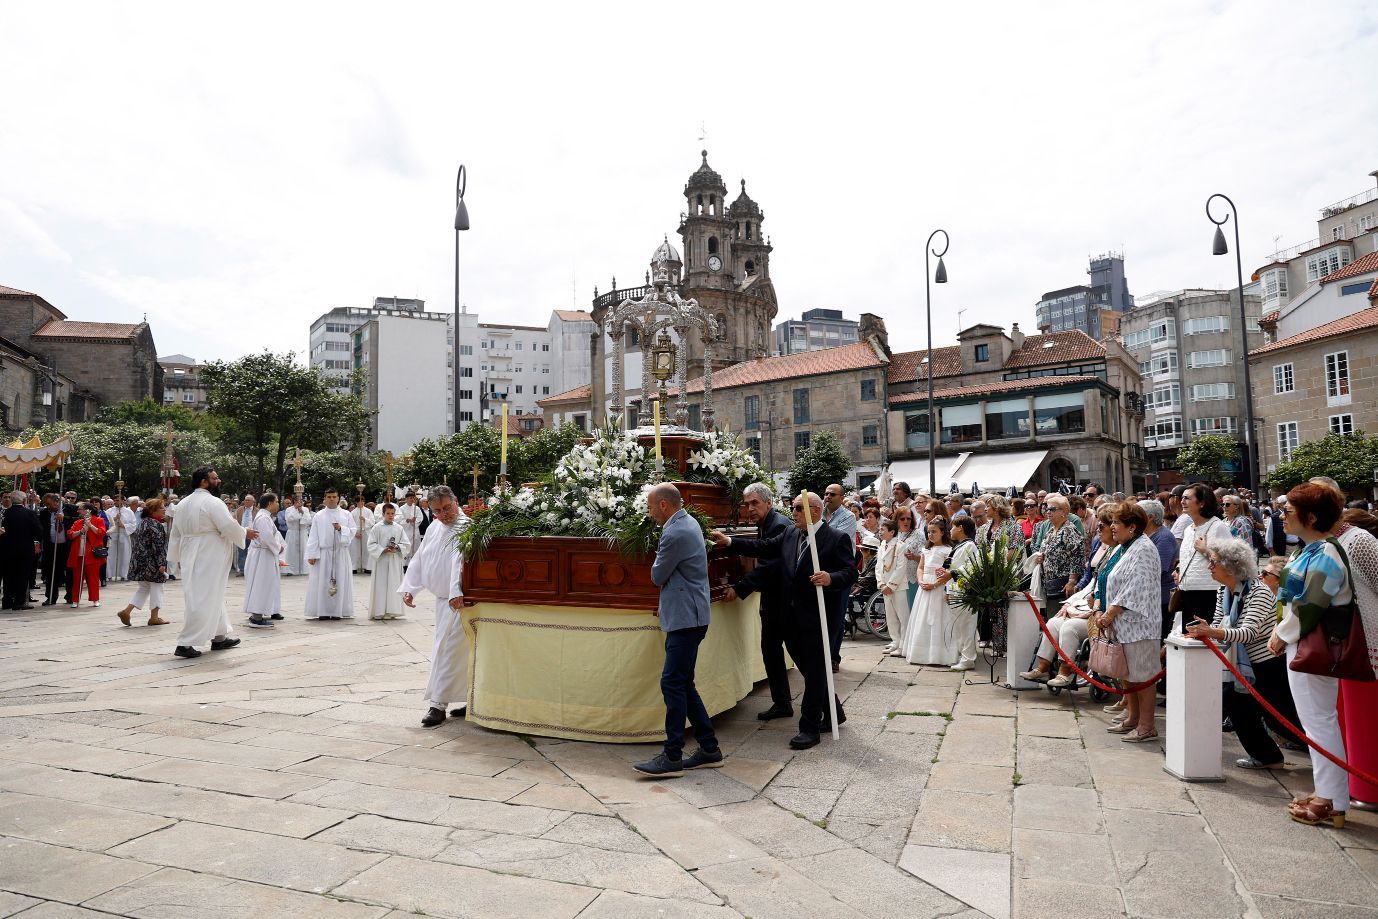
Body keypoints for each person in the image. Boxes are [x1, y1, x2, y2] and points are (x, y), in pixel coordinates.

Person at [712, 490, 857, 750]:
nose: (794, 514)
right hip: (791, 617)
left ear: (815, 510)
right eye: (794, 508)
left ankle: (809, 728)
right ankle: (834, 710)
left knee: (813, 674)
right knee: (811, 669)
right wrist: (731, 542)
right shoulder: (791, 533)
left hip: (818, 619)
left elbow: (849, 572)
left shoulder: (836, 538)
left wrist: (830, 578)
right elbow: (764, 547)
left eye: (799, 509)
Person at [1270, 483, 1353, 828]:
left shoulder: (1325, 554)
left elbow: (1309, 607)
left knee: (1319, 722)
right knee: (1317, 721)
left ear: (1312, 517)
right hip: (1301, 643)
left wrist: (1281, 633)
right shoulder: (1312, 550)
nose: (1282, 516)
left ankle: (1330, 798)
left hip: (1309, 645)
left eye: (1288, 511)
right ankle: (1329, 793)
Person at [633, 484, 724, 777]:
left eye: (650, 507)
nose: (650, 513)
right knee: (683, 683)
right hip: (690, 614)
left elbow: (658, 575)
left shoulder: (674, 532)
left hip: (687, 617)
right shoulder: (688, 521)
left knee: (672, 682)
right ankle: (709, 748)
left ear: (662, 505)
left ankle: (672, 755)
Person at [1185, 538, 1300, 769]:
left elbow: (1248, 632)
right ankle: (1268, 756)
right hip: (1244, 665)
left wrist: (1212, 631)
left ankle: (1328, 755)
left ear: (1230, 566)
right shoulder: (1223, 591)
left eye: (1214, 562)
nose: (1210, 566)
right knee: (1239, 706)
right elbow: (1220, 624)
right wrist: (1208, 629)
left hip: (1267, 665)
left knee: (1283, 720)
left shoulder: (1258, 592)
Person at [723, 482, 793, 720]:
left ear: (769, 503)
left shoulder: (779, 525)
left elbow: (770, 563)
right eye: (746, 504)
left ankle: (832, 710)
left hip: (786, 603)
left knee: (802, 656)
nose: (750, 508)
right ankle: (782, 703)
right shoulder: (767, 523)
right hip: (775, 600)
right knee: (771, 652)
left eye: (755, 503)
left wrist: (740, 588)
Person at [401, 486, 470, 727]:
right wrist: (411, 586)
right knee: (452, 652)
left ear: (456, 501)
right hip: (443, 602)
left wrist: (456, 591)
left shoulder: (467, 527)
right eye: (437, 511)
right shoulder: (434, 526)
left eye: (446, 508)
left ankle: (438, 704)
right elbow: (422, 557)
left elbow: (459, 562)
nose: (443, 515)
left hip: (460, 602)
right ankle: (469, 698)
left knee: (448, 652)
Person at [167, 467, 254, 658]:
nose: (219, 480)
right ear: (204, 482)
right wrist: (245, 532)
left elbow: (176, 534)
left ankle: (219, 637)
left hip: (191, 550)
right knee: (202, 597)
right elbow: (227, 525)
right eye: (214, 478)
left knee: (211, 593)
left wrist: (177, 557)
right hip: (209, 552)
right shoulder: (212, 502)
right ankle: (185, 643)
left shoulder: (183, 503)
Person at [1098, 502, 1165, 743]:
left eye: (1116, 522)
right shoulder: (1123, 547)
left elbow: (1137, 586)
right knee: (1128, 674)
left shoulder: (1144, 548)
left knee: (1143, 676)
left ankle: (1147, 725)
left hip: (1140, 625)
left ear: (1132, 527)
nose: (1112, 527)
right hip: (1122, 625)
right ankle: (1133, 717)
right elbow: (1108, 577)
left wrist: (1110, 613)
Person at [1172, 484, 1226, 634]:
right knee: (1188, 641)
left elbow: (1229, 563)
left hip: (1209, 594)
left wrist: (1205, 550)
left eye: (1187, 498)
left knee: (1204, 645)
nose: (1182, 501)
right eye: (1182, 497)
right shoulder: (1188, 529)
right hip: (1187, 593)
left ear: (1202, 503)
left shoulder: (1218, 527)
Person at [903, 517, 955, 665]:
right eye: (929, 532)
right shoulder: (926, 549)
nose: (930, 535)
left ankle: (939, 654)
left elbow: (948, 572)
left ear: (943, 532)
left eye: (934, 532)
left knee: (939, 617)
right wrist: (920, 580)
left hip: (938, 586)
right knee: (922, 618)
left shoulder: (947, 550)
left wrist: (935, 585)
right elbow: (921, 567)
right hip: (924, 585)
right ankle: (922, 652)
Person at [117, 497, 171, 627]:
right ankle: (154, 617)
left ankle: (126, 611)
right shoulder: (155, 524)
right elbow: (158, 547)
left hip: (140, 561)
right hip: (152, 562)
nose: (164, 509)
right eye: (161, 507)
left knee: (144, 588)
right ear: (153, 510)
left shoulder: (143, 522)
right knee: (158, 587)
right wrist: (162, 563)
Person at [305, 488, 356, 620]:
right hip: (324, 553)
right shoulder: (319, 515)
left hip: (341, 552)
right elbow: (313, 536)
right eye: (329, 497)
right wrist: (312, 554)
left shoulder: (346, 514)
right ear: (325, 498)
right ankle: (323, 611)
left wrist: (341, 529)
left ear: (338, 498)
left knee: (340, 580)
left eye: (334, 496)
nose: (332, 499)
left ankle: (338, 610)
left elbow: (352, 531)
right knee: (322, 582)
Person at [822, 483, 857, 671]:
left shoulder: (848, 517)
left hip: (840, 573)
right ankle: (822, 654)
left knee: (836, 617)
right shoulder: (818, 514)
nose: (828, 497)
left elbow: (833, 538)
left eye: (832, 494)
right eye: (826, 493)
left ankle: (834, 657)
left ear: (841, 498)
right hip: (821, 571)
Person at [945, 517, 982, 671]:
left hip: (965, 591)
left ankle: (968, 658)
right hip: (955, 590)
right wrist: (947, 589)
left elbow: (974, 568)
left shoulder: (970, 546)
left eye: (952, 527)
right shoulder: (959, 546)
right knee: (959, 625)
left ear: (960, 528)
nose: (950, 531)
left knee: (967, 625)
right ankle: (963, 655)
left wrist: (952, 574)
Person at [243, 493, 284, 629]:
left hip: (263, 554)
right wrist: (278, 548)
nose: (278, 504)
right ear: (270, 503)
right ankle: (256, 618)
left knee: (261, 584)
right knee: (261, 584)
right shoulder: (263, 518)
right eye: (277, 501)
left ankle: (257, 614)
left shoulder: (265, 516)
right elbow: (267, 538)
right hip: (262, 555)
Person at [1140, 500, 1180, 638]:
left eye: (1139, 514)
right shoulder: (1145, 535)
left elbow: (1158, 569)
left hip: (1160, 599)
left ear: (1150, 517)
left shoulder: (1164, 537)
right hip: (1149, 597)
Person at [367, 503, 410, 620]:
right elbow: (371, 544)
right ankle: (379, 610)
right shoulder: (377, 527)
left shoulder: (399, 528)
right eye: (388, 513)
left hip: (394, 560)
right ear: (383, 514)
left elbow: (406, 544)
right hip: (382, 560)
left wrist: (397, 547)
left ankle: (393, 610)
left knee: (394, 584)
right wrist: (382, 549)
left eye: (392, 514)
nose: (390, 516)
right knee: (381, 585)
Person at [1, 491, 42, 610]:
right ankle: (19, 601)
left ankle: (7, 600)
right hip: (25, 549)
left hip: (7, 549)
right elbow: (38, 530)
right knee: (23, 576)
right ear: (24, 501)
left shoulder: (5, 513)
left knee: (8, 576)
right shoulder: (29, 513)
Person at [877, 518, 909, 657]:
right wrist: (881, 584)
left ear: (892, 532)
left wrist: (891, 585)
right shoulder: (882, 544)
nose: (880, 532)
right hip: (885, 586)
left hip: (898, 586)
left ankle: (904, 644)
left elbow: (901, 567)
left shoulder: (901, 546)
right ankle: (895, 641)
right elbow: (879, 567)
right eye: (880, 529)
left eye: (883, 530)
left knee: (902, 616)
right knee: (890, 616)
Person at [66, 501, 106, 608]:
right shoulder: (78, 522)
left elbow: (101, 533)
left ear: (88, 510)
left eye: (80, 509)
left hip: (92, 554)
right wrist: (81, 531)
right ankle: (75, 600)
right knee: (77, 578)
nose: (78, 511)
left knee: (93, 578)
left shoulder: (99, 520)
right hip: (78, 553)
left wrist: (90, 525)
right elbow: (70, 534)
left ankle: (95, 599)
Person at [37, 493, 73, 606]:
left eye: (49, 504)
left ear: (57, 502)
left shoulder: (70, 508)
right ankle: (51, 597)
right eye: (45, 504)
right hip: (51, 546)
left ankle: (70, 596)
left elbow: (79, 519)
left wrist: (64, 518)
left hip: (67, 546)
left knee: (69, 572)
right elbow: (40, 528)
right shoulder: (44, 513)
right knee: (51, 573)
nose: (47, 506)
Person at [106, 496, 136, 582]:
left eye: (117, 500)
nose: (116, 502)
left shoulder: (129, 512)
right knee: (111, 555)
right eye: (115, 500)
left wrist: (123, 525)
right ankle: (109, 574)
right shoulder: (109, 511)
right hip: (113, 534)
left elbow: (133, 524)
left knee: (125, 555)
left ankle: (124, 574)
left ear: (123, 501)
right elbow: (106, 522)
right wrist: (114, 519)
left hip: (124, 534)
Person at [284, 495, 311, 576]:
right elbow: (289, 518)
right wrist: (296, 510)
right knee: (292, 551)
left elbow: (309, 520)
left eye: (301, 501)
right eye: (298, 501)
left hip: (302, 533)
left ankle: (304, 569)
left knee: (304, 550)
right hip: (292, 532)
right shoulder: (289, 509)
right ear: (294, 502)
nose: (299, 503)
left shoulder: (305, 509)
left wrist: (302, 512)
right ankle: (291, 570)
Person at [396, 491, 422, 569]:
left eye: (413, 498)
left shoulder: (416, 508)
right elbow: (399, 519)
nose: (412, 499)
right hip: (406, 531)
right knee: (406, 547)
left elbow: (420, 518)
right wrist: (407, 521)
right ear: (406, 499)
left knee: (415, 547)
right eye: (410, 498)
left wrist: (415, 521)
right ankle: (405, 565)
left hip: (415, 531)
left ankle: (414, 564)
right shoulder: (401, 508)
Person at [350, 496, 374, 574]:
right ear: (356, 502)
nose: (362, 503)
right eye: (360, 501)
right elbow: (350, 524)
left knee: (366, 549)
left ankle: (367, 567)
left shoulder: (368, 511)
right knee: (355, 550)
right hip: (356, 532)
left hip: (366, 531)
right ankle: (354, 567)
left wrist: (364, 519)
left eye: (363, 501)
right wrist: (355, 533)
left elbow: (372, 522)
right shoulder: (352, 512)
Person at [234, 495, 256, 575]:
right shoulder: (239, 510)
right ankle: (242, 570)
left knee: (252, 552)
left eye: (248, 500)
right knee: (242, 551)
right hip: (242, 533)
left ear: (253, 502)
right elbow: (235, 520)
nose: (246, 502)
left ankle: (251, 569)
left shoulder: (257, 510)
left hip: (252, 534)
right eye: (245, 500)